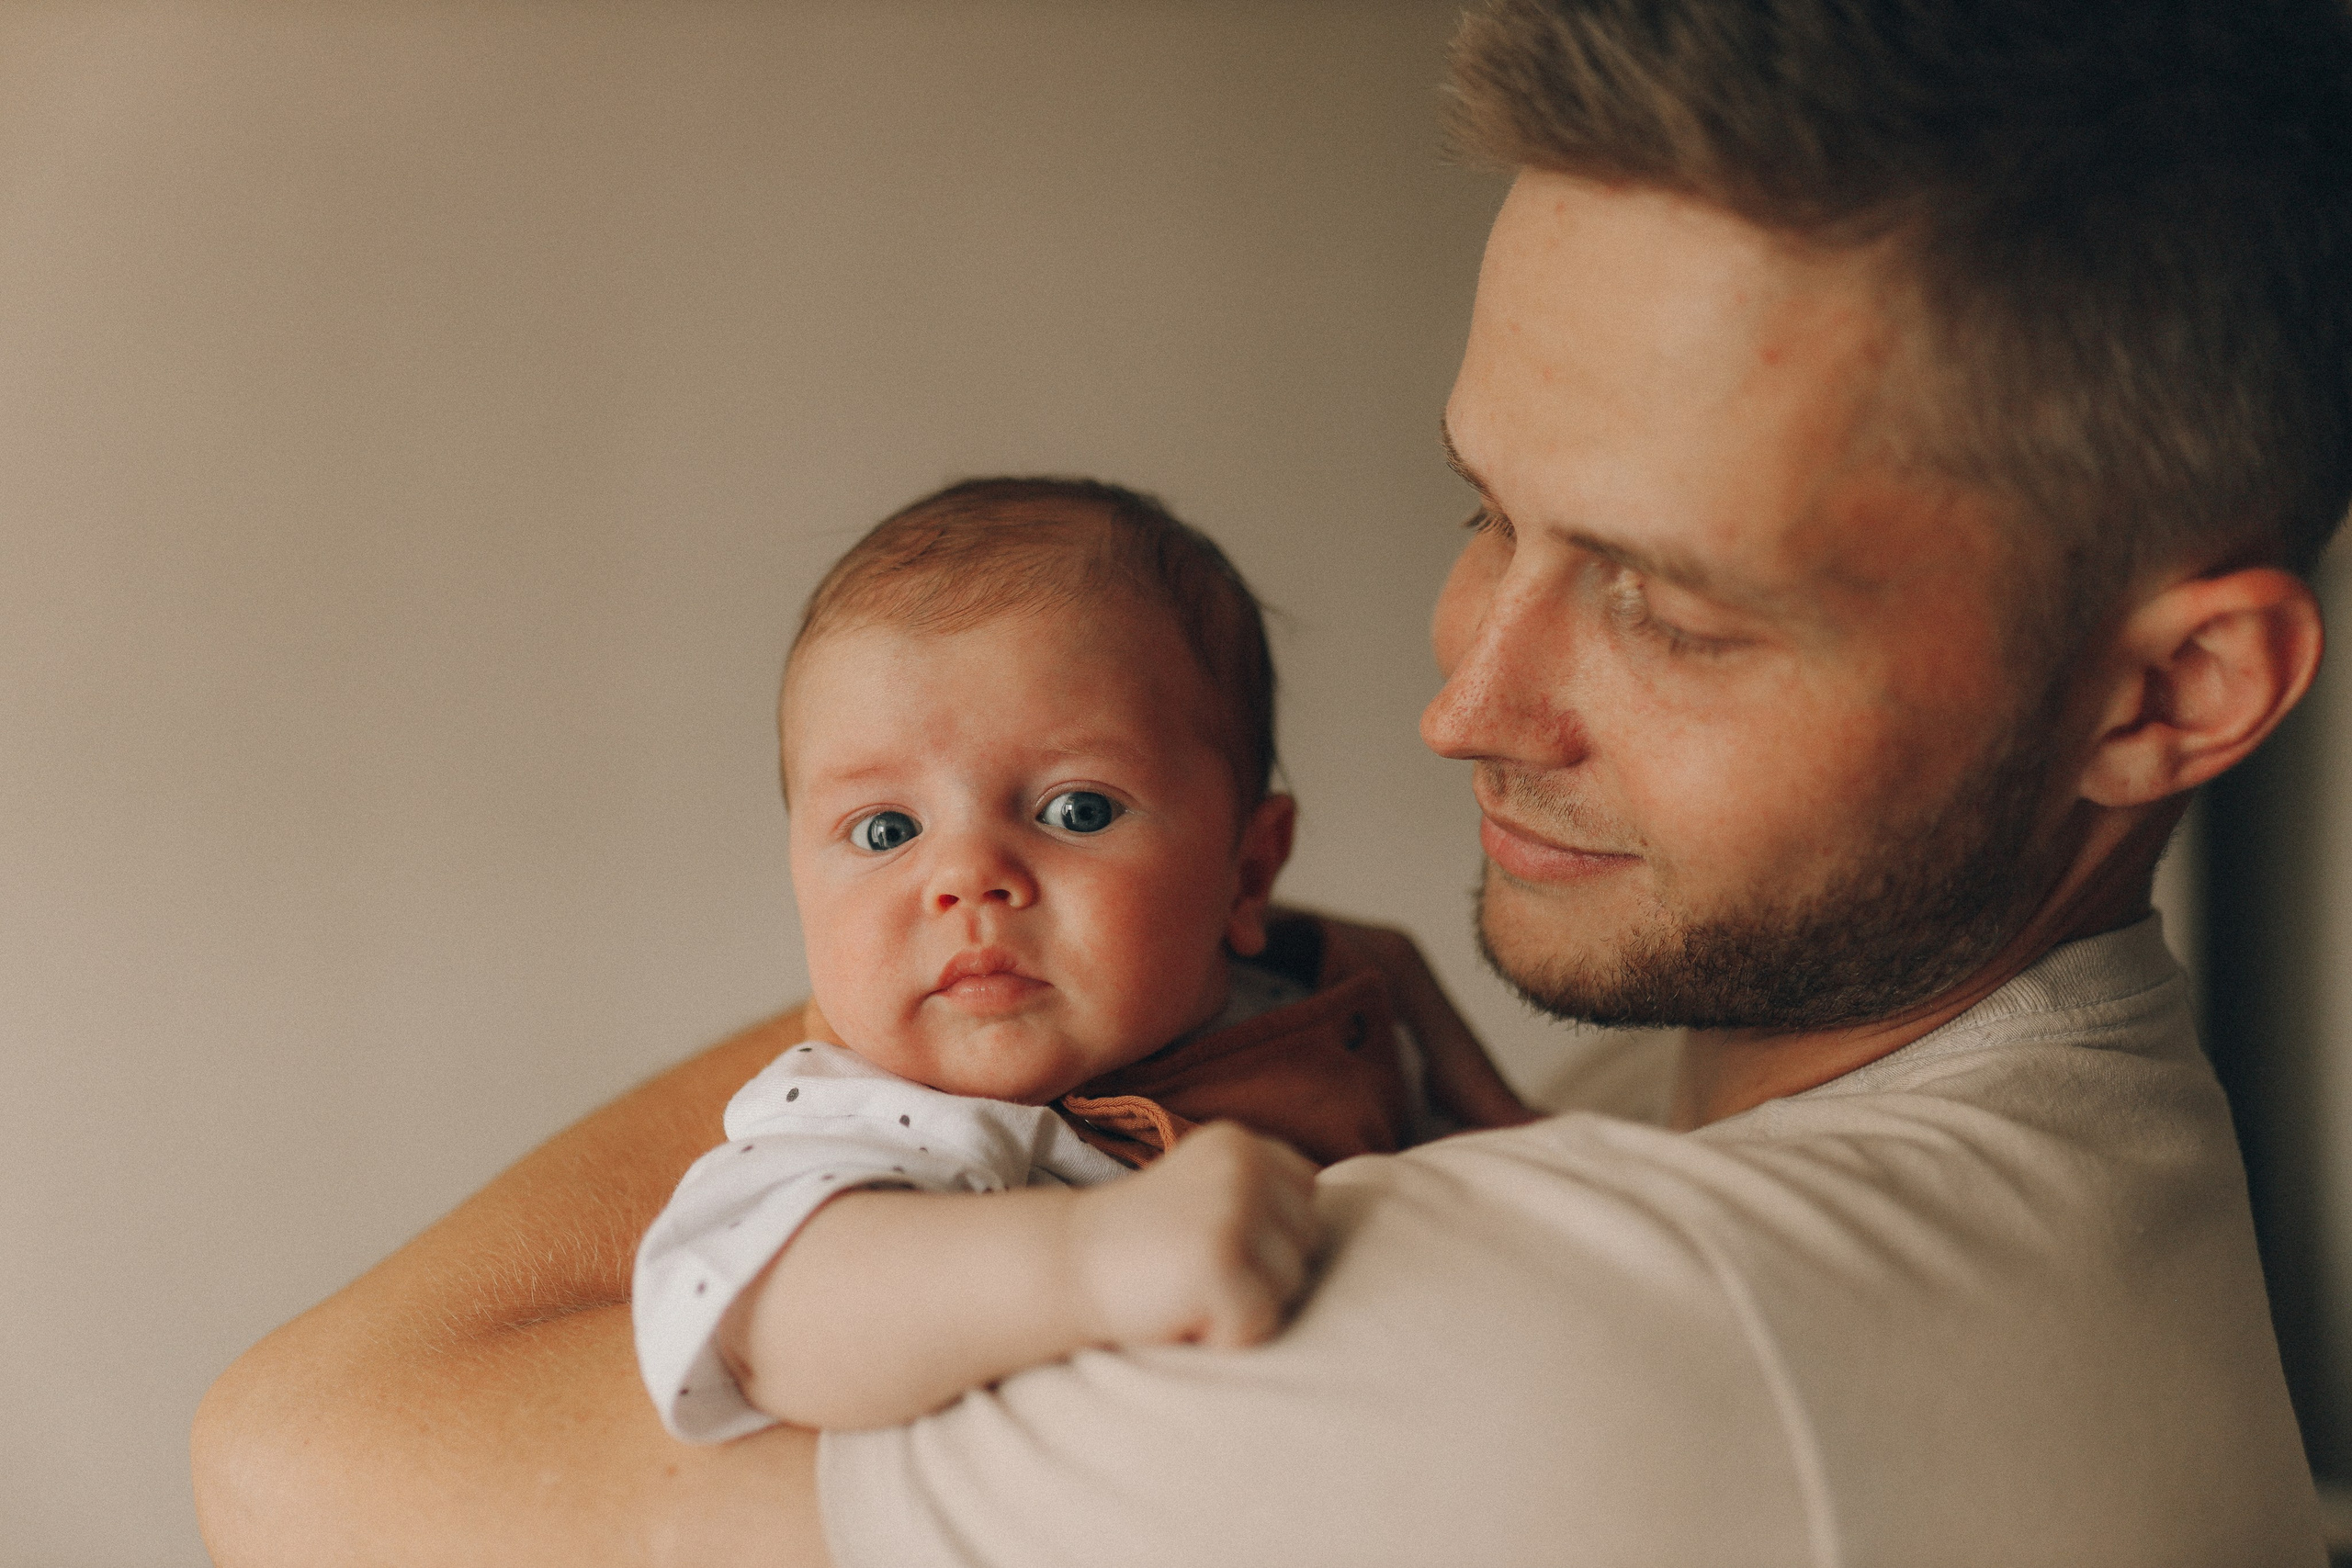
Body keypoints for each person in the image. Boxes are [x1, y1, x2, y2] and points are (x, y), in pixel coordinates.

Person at [191, 0, 2352, 1562]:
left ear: (2166, 692)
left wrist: (973, 939)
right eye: (1480, 514)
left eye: (1668, 603)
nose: (1466, 701)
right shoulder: (1942, 1157)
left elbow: (301, 1456)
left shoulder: (1614, 1343)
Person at [634, 475, 1528, 1440]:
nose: (968, 880)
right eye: (886, 828)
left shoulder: (1307, 989)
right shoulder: (879, 1120)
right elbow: (770, 1326)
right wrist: (1089, 1261)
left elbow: (1385, 979)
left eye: (1077, 811)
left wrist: (1498, 1116)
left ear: (1248, 872)